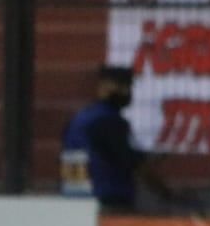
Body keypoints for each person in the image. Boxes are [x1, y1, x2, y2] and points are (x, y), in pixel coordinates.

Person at [60, 65, 168, 210]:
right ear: (105, 86)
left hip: (75, 199)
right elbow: (132, 163)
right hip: (107, 201)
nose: (128, 93)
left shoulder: (80, 119)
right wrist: (166, 193)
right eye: (124, 87)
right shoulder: (109, 120)